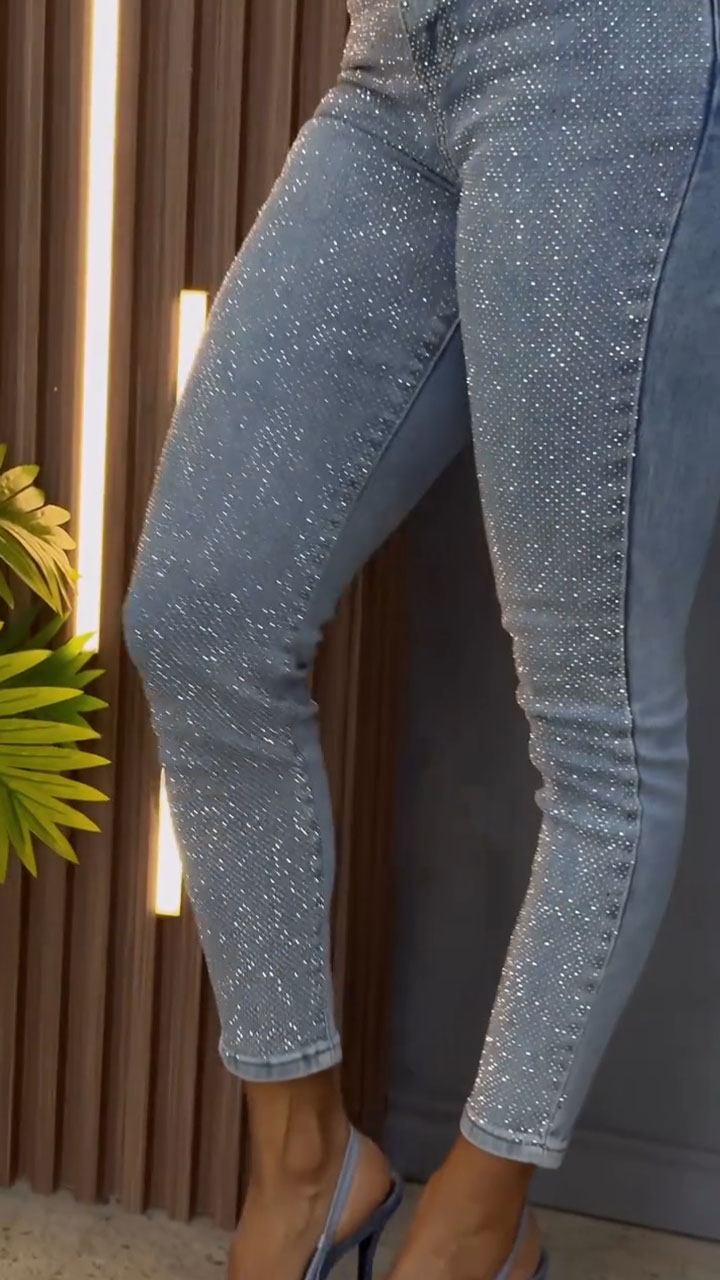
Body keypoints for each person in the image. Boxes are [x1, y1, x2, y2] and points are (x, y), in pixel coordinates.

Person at [123, 0, 720, 1277]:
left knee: (597, 720)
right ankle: (309, 1170)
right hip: (400, 52)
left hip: (615, 53)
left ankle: (477, 1220)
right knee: (201, 616)